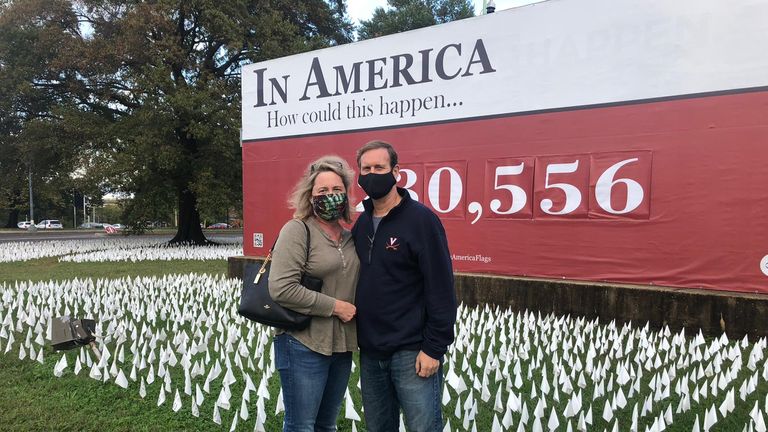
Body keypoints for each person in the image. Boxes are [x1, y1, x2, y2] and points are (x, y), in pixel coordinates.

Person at [351, 141, 457, 431]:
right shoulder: (361, 225)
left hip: (412, 352)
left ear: (396, 171)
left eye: (379, 168)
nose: (372, 174)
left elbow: (442, 287)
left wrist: (434, 348)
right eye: (366, 169)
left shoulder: (421, 221)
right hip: (371, 353)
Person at [268, 155, 360, 432]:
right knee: (301, 426)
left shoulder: (348, 236)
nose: (330, 196)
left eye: (336, 190)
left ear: (346, 195)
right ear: (310, 196)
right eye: (322, 191)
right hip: (303, 342)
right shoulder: (297, 230)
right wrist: (336, 307)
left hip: (341, 345)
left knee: (326, 425)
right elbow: (281, 288)